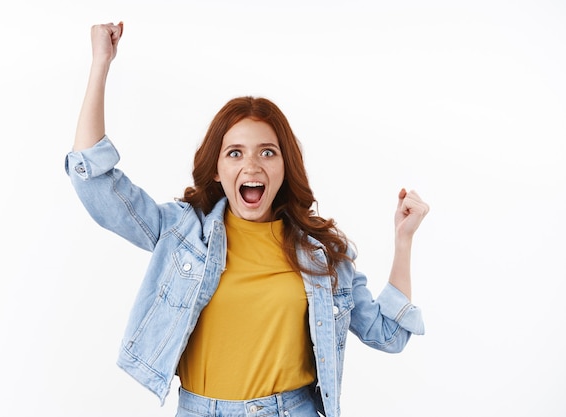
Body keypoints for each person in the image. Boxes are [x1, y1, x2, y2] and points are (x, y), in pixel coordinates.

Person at [66, 22, 430, 417]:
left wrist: (403, 240)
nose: (252, 164)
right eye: (235, 153)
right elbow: (95, 184)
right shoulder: (182, 231)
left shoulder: (321, 254)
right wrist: (101, 62)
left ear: (285, 167)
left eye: (268, 152)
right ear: (218, 170)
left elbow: (388, 335)